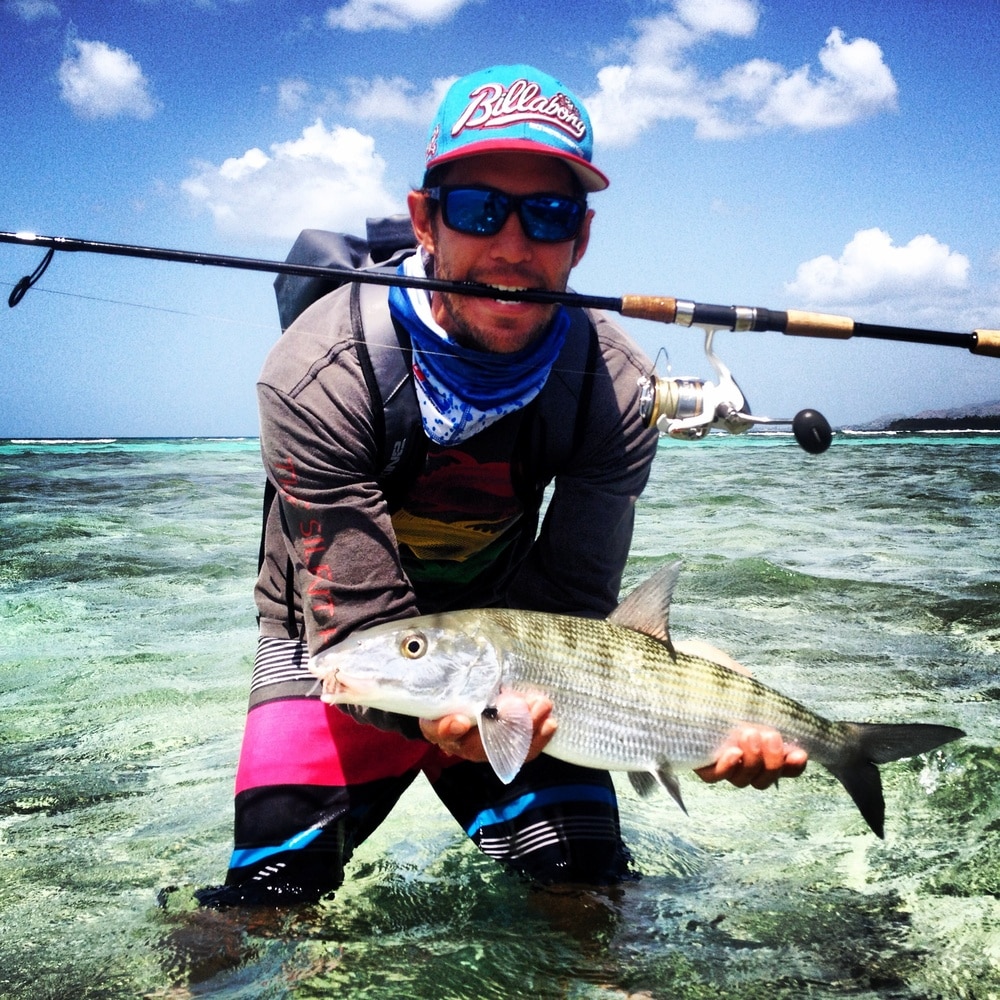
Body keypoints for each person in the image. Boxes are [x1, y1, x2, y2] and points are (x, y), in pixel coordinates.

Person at [197, 64, 807, 907]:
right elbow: (358, 623)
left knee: (589, 901)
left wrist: (675, 685)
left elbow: (572, 592)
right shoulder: (316, 375)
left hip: (521, 650)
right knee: (261, 911)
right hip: (338, 648)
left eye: (548, 215)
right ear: (425, 220)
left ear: (581, 237)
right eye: (480, 209)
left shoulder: (615, 386)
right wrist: (429, 716)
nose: (513, 246)